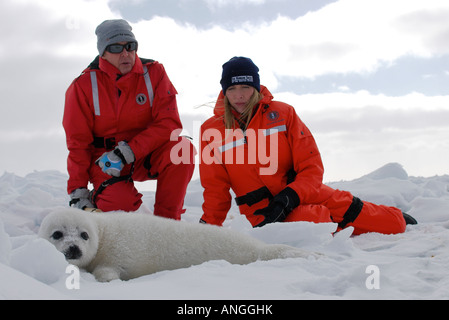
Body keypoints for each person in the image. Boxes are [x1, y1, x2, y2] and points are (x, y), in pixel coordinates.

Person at [199, 56, 417, 235]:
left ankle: (388, 216)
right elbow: (215, 188)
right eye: (232, 88)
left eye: (245, 86)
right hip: (265, 212)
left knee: (394, 225)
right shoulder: (211, 131)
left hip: (303, 193)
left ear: (255, 87)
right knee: (315, 220)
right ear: (224, 91)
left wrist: (290, 197)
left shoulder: (283, 114)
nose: (239, 95)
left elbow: (311, 166)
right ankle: (337, 226)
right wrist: (208, 227)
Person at [63, 19, 195, 219]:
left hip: (144, 152)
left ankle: (167, 225)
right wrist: (78, 190)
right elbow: (78, 143)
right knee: (120, 208)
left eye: (130, 46)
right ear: (103, 53)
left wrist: (129, 151)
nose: (126, 54)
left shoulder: (155, 73)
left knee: (182, 149)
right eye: (116, 48)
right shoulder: (82, 86)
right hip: (104, 161)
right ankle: (101, 196)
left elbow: (169, 124)